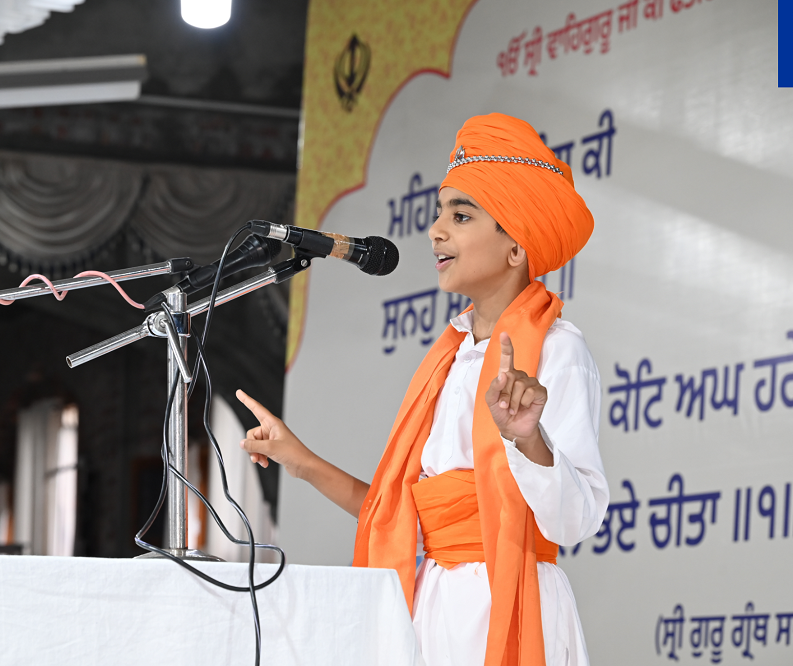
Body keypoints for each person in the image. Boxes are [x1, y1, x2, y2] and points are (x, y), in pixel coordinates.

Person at [236, 113, 609, 666]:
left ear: (516, 247)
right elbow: (396, 515)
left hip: (511, 609)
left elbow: (575, 523)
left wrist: (530, 440)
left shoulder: (559, 350)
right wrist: (300, 460)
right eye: (439, 214)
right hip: (429, 609)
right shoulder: (450, 357)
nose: (435, 230)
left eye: (460, 216)